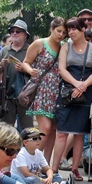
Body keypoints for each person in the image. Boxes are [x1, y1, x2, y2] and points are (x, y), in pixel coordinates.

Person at [52, 17, 92, 181]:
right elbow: (61, 69)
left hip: (87, 91)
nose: (71, 32)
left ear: (82, 30)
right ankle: (54, 168)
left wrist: (83, 86)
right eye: (69, 29)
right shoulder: (66, 47)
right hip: (68, 91)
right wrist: (75, 84)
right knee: (62, 132)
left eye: (74, 29)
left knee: (80, 133)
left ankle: (75, 169)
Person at [22, 17, 67, 164]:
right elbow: (26, 62)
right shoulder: (39, 43)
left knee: (54, 129)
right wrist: (30, 70)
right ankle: (33, 158)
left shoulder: (64, 46)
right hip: (42, 89)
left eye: (63, 32)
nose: (61, 35)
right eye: (58, 31)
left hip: (57, 90)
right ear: (51, 29)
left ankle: (45, 163)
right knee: (45, 128)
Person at [0, 19, 33, 130]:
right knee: (5, 129)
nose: (14, 33)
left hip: (26, 97)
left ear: (25, 35)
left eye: (18, 31)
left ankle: (28, 148)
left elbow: (37, 72)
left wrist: (24, 69)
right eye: (12, 31)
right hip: (7, 96)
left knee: (28, 130)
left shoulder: (31, 49)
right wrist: (1, 65)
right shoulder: (4, 50)